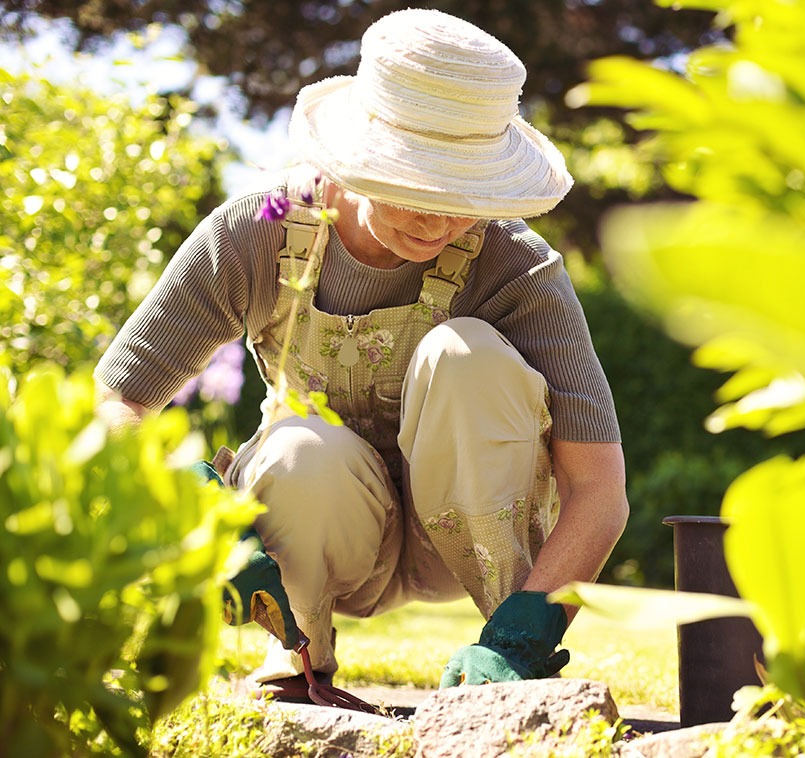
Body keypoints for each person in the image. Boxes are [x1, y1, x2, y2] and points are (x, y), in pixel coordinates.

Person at [95, 8, 628, 697]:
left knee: (466, 355)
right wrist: (187, 505)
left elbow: (599, 489)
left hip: (465, 539)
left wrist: (533, 624)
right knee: (298, 451)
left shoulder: (515, 267)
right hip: (314, 531)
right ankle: (299, 652)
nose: (440, 219)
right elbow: (119, 401)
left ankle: (500, 666)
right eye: (416, 186)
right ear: (357, 158)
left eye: (463, 192)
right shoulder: (258, 233)